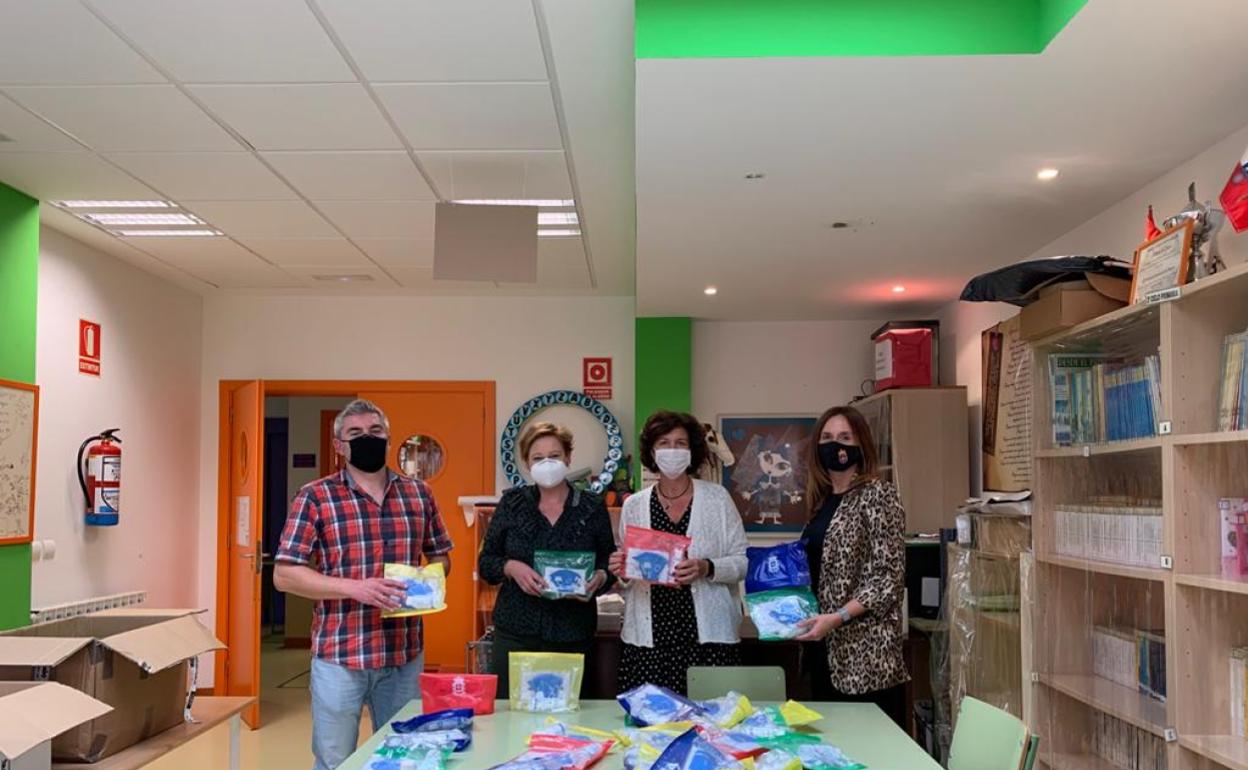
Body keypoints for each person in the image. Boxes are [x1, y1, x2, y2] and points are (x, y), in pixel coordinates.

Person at [274, 399, 453, 770]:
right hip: (341, 655)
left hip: (404, 654)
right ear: (339, 445)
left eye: (375, 432)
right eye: (355, 433)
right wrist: (355, 588)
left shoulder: (419, 494)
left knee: (405, 755)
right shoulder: (315, 497)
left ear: (388, 439)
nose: (367, 439)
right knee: (335, 759)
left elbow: (441, 556)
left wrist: (427, 584)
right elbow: (285, 574)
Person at [609, 410, 749, 695]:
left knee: (712, 727)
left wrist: (707, 567)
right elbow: (628, 573)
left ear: (692, 450)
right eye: (663, 443)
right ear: (652, 451)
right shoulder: (634, 505)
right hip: (649, 641)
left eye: (680, 443)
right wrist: (621, 569)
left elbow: (742, 562)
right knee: (650, 729)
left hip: (708, 640)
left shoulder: (717, 498)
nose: (672, 450)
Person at [477, 422, 615, 695]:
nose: (547, 463)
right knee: (513, 719)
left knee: (571, 720)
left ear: (568, 458)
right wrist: (511, 567)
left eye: (554, 455)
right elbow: (486, 562)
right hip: (516, 633)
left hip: (573, 634)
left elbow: (608, 561)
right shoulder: (512, 504)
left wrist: (600, 577)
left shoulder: (591, 506)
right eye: (538, 458)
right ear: (528, 464)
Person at [795, 405, 909, 726]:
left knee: (865, 751)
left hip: (864, 657)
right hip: (822, 649)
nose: (836, 445)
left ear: (861, 445)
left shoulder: (878, 495)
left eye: (845, 437)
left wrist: (838, 617)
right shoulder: (822, 502)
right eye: (828, 437)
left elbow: (887, 578)